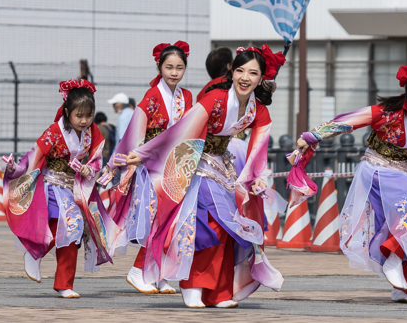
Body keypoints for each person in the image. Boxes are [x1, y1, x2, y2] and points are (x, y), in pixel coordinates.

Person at [116, 45, 286, 309]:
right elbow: (183, 130)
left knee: (229, 229)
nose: (245, 78)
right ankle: (193, 286)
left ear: (261, 78)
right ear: (231, 72)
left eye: (253, 73)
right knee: (210, 225)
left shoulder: (259, 111)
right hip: (195, 164)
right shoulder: (216, 98)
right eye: (240, 70)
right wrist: (145, 153)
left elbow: (258, 152)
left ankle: (217, 293)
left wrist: (258, 178)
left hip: (222, 168)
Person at [288, 63, 407, 303]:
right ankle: (392, 257)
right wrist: (311, 136)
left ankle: (403, 288)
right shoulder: (386, 112)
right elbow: (348, 121)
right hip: (379, 168)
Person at [3, 79, 114, 298]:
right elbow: (34, 156)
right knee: (70, 225)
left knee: (72, 232)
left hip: (75, 188)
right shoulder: (54, 131)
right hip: (52, 186)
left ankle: (64, 283)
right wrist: (15, 168)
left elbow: (96, 160)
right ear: (67, 112)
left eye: (89, 115)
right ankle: (36, 252)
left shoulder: (93, 132)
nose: (84, 120)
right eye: (79, 115)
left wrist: (89, 169)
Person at [103, 41, 194, 295]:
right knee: (159, 220)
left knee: (172, 221)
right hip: (152, 165)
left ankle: (160, 274)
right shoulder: (152, 96)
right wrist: (119, 161)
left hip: (175, 164)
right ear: (159, 67)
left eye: (179, 67)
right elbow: (135, 130)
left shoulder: (186, 97)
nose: (174, 72)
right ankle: (137, 271)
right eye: (169, 67)